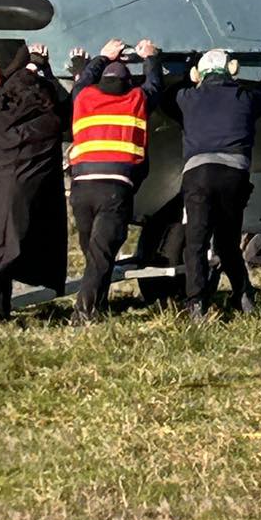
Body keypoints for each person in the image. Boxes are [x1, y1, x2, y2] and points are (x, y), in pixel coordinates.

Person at [0, 42, 72, 324]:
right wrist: (44, 71)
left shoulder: (7, 115)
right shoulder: (49, 121)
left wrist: (32, 64)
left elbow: (14, 90)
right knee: (4, 246)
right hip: (19, 190)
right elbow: (67, 106)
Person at [171, 49, 261, 319]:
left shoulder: (187, 98)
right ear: (232, 69)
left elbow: (168, 98)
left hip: (199, 176)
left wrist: (184, 74)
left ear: (199, 75)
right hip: (234, 175)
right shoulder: (245, 97)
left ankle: (197, 304)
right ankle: (244, 296)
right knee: (228, 242)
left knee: (195, 242)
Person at [67, 36, 163, 322]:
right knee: (101, 253)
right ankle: (84, 311)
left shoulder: (84, 98)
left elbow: (83, 81)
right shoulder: (135, 100)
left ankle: (98, 303)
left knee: (93, 251)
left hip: (81, 187)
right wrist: (151, 57)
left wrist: (103, 57)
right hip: (114, 187)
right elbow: (155, 85)